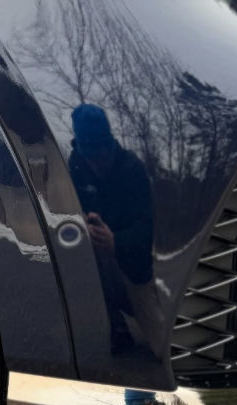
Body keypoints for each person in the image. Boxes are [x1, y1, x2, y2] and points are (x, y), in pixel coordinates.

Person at [69, 104, 165, 356]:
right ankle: (116, 328)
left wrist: (116, 241)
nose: (95, 164)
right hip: (99, 259)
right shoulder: (77, 165)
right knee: (77, 245)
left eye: (100, 155)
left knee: (164, 350)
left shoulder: (132, 169)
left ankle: (148, 310)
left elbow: (147, 230)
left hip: (134, 266)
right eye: (89, 157)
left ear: (109, 146)